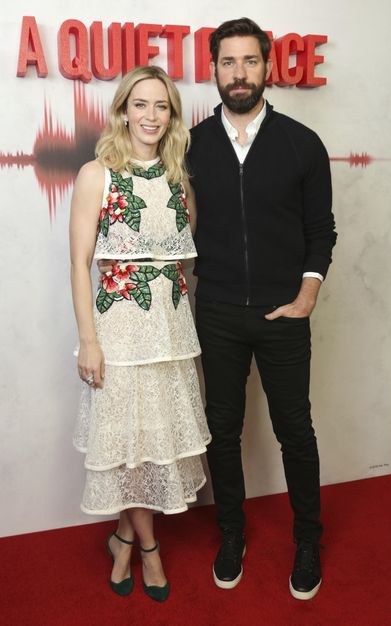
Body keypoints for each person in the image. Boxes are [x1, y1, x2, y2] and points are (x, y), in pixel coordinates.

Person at [187, 18, 337, 599]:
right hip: (218, 311)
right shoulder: (194, 143)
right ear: (214, 70)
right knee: (222, 432)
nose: (239, 73)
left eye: (250, 61)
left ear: (267, 67)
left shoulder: (303, 143)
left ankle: (308, 541)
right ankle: (232, 533)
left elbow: (319, 231)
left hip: (283, 315)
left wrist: (306, 297)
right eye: (228, 63)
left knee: (294, 431)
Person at [69, 65, 210, 602]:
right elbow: (80, 262)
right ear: (124, 110)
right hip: (119, 332)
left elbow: (179, 257)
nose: (151, 116)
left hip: (171, 332)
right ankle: (148, 549)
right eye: (141, 104)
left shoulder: (178, 178)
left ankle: (123, 536)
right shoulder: (96, 174)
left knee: (152, 443)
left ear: (172, 116)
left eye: (162, 107)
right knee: (126, 443)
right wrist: (89, 338)